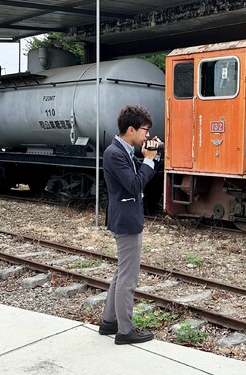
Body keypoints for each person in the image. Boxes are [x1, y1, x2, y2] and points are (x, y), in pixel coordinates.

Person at [98, 105, 162, 345]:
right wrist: (148, 160)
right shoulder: (114, 153)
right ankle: (125, 331)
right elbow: (135, 185)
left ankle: (109, 322)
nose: (147, 135)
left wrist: (151, 156)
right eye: (145, 130)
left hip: (125, 217)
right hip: (126, 222)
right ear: (131, 129)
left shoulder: (123, 150)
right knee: (128, 278)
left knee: (121, 273)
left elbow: (140, 173)